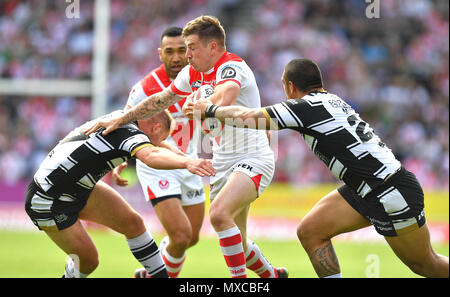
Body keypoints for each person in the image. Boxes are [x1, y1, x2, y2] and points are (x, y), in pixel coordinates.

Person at [188, 58, 449, 278]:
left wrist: (210, 110)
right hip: (366, 188)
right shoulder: (331, 100)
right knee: (311, 231)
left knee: (425, 264)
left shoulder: (306, 107)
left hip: (389, 190)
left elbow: (253, 118)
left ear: (290, 87)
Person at [85, 15, 287, 278]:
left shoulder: (232, 66)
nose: (187, 54)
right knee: (240, 243)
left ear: (212, 47)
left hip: (253, 158)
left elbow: (227, 95)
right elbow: (162, 99)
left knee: (217, 215)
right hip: (221, 163)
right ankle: (273, 276)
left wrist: (206, 106)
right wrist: (122, 119)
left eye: (191, 47)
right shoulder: (191, 74)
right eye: (181, 49)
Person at [25, 110, 215, 278]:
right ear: (156, 127)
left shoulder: (124, 120)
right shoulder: (131, 134)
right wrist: (188, 164)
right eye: (162, 138)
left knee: (133, 223)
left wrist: (187, 159)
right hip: (48, 198)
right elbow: (150, 155)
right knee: (88, 261)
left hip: (76, 186)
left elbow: (156, 147)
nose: (161, 144)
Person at [112, 27, 206, 278]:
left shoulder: (202, 79)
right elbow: (124, 123)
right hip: (156, 163)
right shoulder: (145, 88)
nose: (176, 57)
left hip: (189, 162)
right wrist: (121, 160)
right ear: (160, 53)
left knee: (191, 238)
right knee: (181, 234)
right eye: (169, 51)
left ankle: (154, 269)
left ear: (190, 51)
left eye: (182, 50)